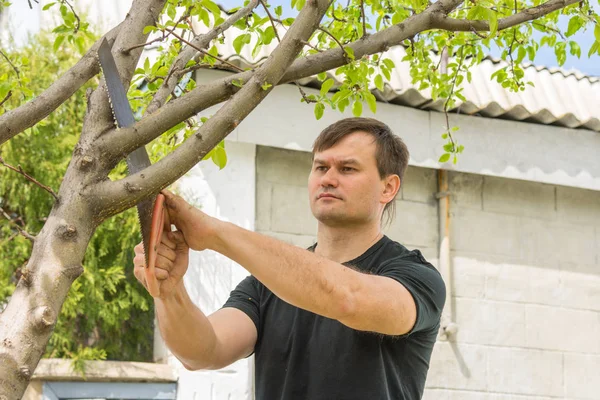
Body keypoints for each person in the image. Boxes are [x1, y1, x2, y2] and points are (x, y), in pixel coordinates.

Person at [133, 117, 446, 400]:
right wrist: (169, 291)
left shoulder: (415, 278)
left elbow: (345, 298)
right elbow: (202, 350)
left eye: (347, 169)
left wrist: (216, 233)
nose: (328, 178)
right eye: (321, 167)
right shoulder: (265, 286)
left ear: (388, 187)